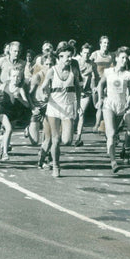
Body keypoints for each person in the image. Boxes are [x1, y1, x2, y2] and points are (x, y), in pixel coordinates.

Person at [40, 44, 81, 178]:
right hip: (54, 108)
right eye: (66, 56)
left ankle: (47, 154)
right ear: (59, 57)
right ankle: (56, 166)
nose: (69, 59)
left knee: (67, 140)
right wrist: (45, 94)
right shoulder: (52, 71)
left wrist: (78, 104)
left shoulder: (73, 70)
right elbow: (44, 86)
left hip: (68, 108)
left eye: (70, 56)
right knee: (55, 139)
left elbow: (78, 89)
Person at [97, 47, 130, 173]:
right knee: (111, 133)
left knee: (126, 129)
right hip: (109, 105)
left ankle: (123, 147)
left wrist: (128, 103)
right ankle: (113, 162)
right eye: (122, 57)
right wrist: (101, 98)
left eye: (126, 58)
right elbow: (100, 85)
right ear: (117, 58)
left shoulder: (128, 75)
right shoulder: (108, 72)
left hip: (122, 105)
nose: (125, 60)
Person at [0, 63, 30, 161]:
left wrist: (19, 98)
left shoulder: (20, 90)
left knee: (8, 133)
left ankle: (1, 148)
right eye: (14, 76)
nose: (15, 78)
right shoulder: (4, 85)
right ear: (10, 76)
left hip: (14, 113)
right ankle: (5, 153)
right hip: (3, 112)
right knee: (8, 129)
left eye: (18, 77)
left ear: (20, 78)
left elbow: (27, 104)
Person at [72, 43, 96, 146]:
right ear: (81, 53)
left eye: (88, 53)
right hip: (74, 92)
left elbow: (95, 77)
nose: (86, 55)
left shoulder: (92, 64)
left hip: (86, 93)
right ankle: (70, 132)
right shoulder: (76, 62)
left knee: (81, 113)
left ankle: (78, 137)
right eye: (85, 53)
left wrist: (95, 86)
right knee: (73, 115)